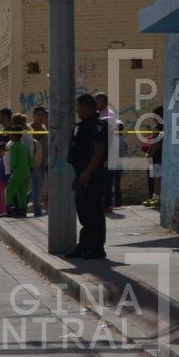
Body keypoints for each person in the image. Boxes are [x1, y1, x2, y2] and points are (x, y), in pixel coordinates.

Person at [67, 93, 108, 260]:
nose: (77, 110)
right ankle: (84, 245)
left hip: (92, 175)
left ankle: (97, 248)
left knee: (93, 212)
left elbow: (98, 152)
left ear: (87, 107)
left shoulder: (97, 126)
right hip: (81, 173)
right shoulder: (81, 126)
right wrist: (78, 175)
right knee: (83, 211)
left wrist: (87, 173)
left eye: (78, 106)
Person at [6, 125, 32, 217]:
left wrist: (12, 171)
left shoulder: (14, 146)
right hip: (26, 172)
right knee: (22, 193)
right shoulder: (25, 146)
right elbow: (30, 160)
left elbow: (13, 162)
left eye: (11, 134)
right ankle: (22, 211)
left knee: (9, 191)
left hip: (18, 171)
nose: (9, 136)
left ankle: (8, 210)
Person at [29, 107, 49, 215]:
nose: (40, 118)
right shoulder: (29, 129)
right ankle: (37, 211)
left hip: (41, 163)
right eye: (38, 115)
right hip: (30, 163)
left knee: (39, 186)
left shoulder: (44, 129)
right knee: (36, 187)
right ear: (34, 116)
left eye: (42, 116)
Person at [143, 106, 164, 207]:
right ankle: (155, 197)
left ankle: (157, 197)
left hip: (157, 157)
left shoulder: (160, 128)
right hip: (156, 157)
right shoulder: (158, 128)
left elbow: (157, 143)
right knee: (156, 178)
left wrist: (150, 154)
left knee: (157, 178)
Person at [110, 121, 127, 209]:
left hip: (113, 164)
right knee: (117, 184)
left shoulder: (114, 139)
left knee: (111, 184)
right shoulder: (123, 140)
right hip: (120, 164)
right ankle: (118, 201)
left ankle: (113, 201)